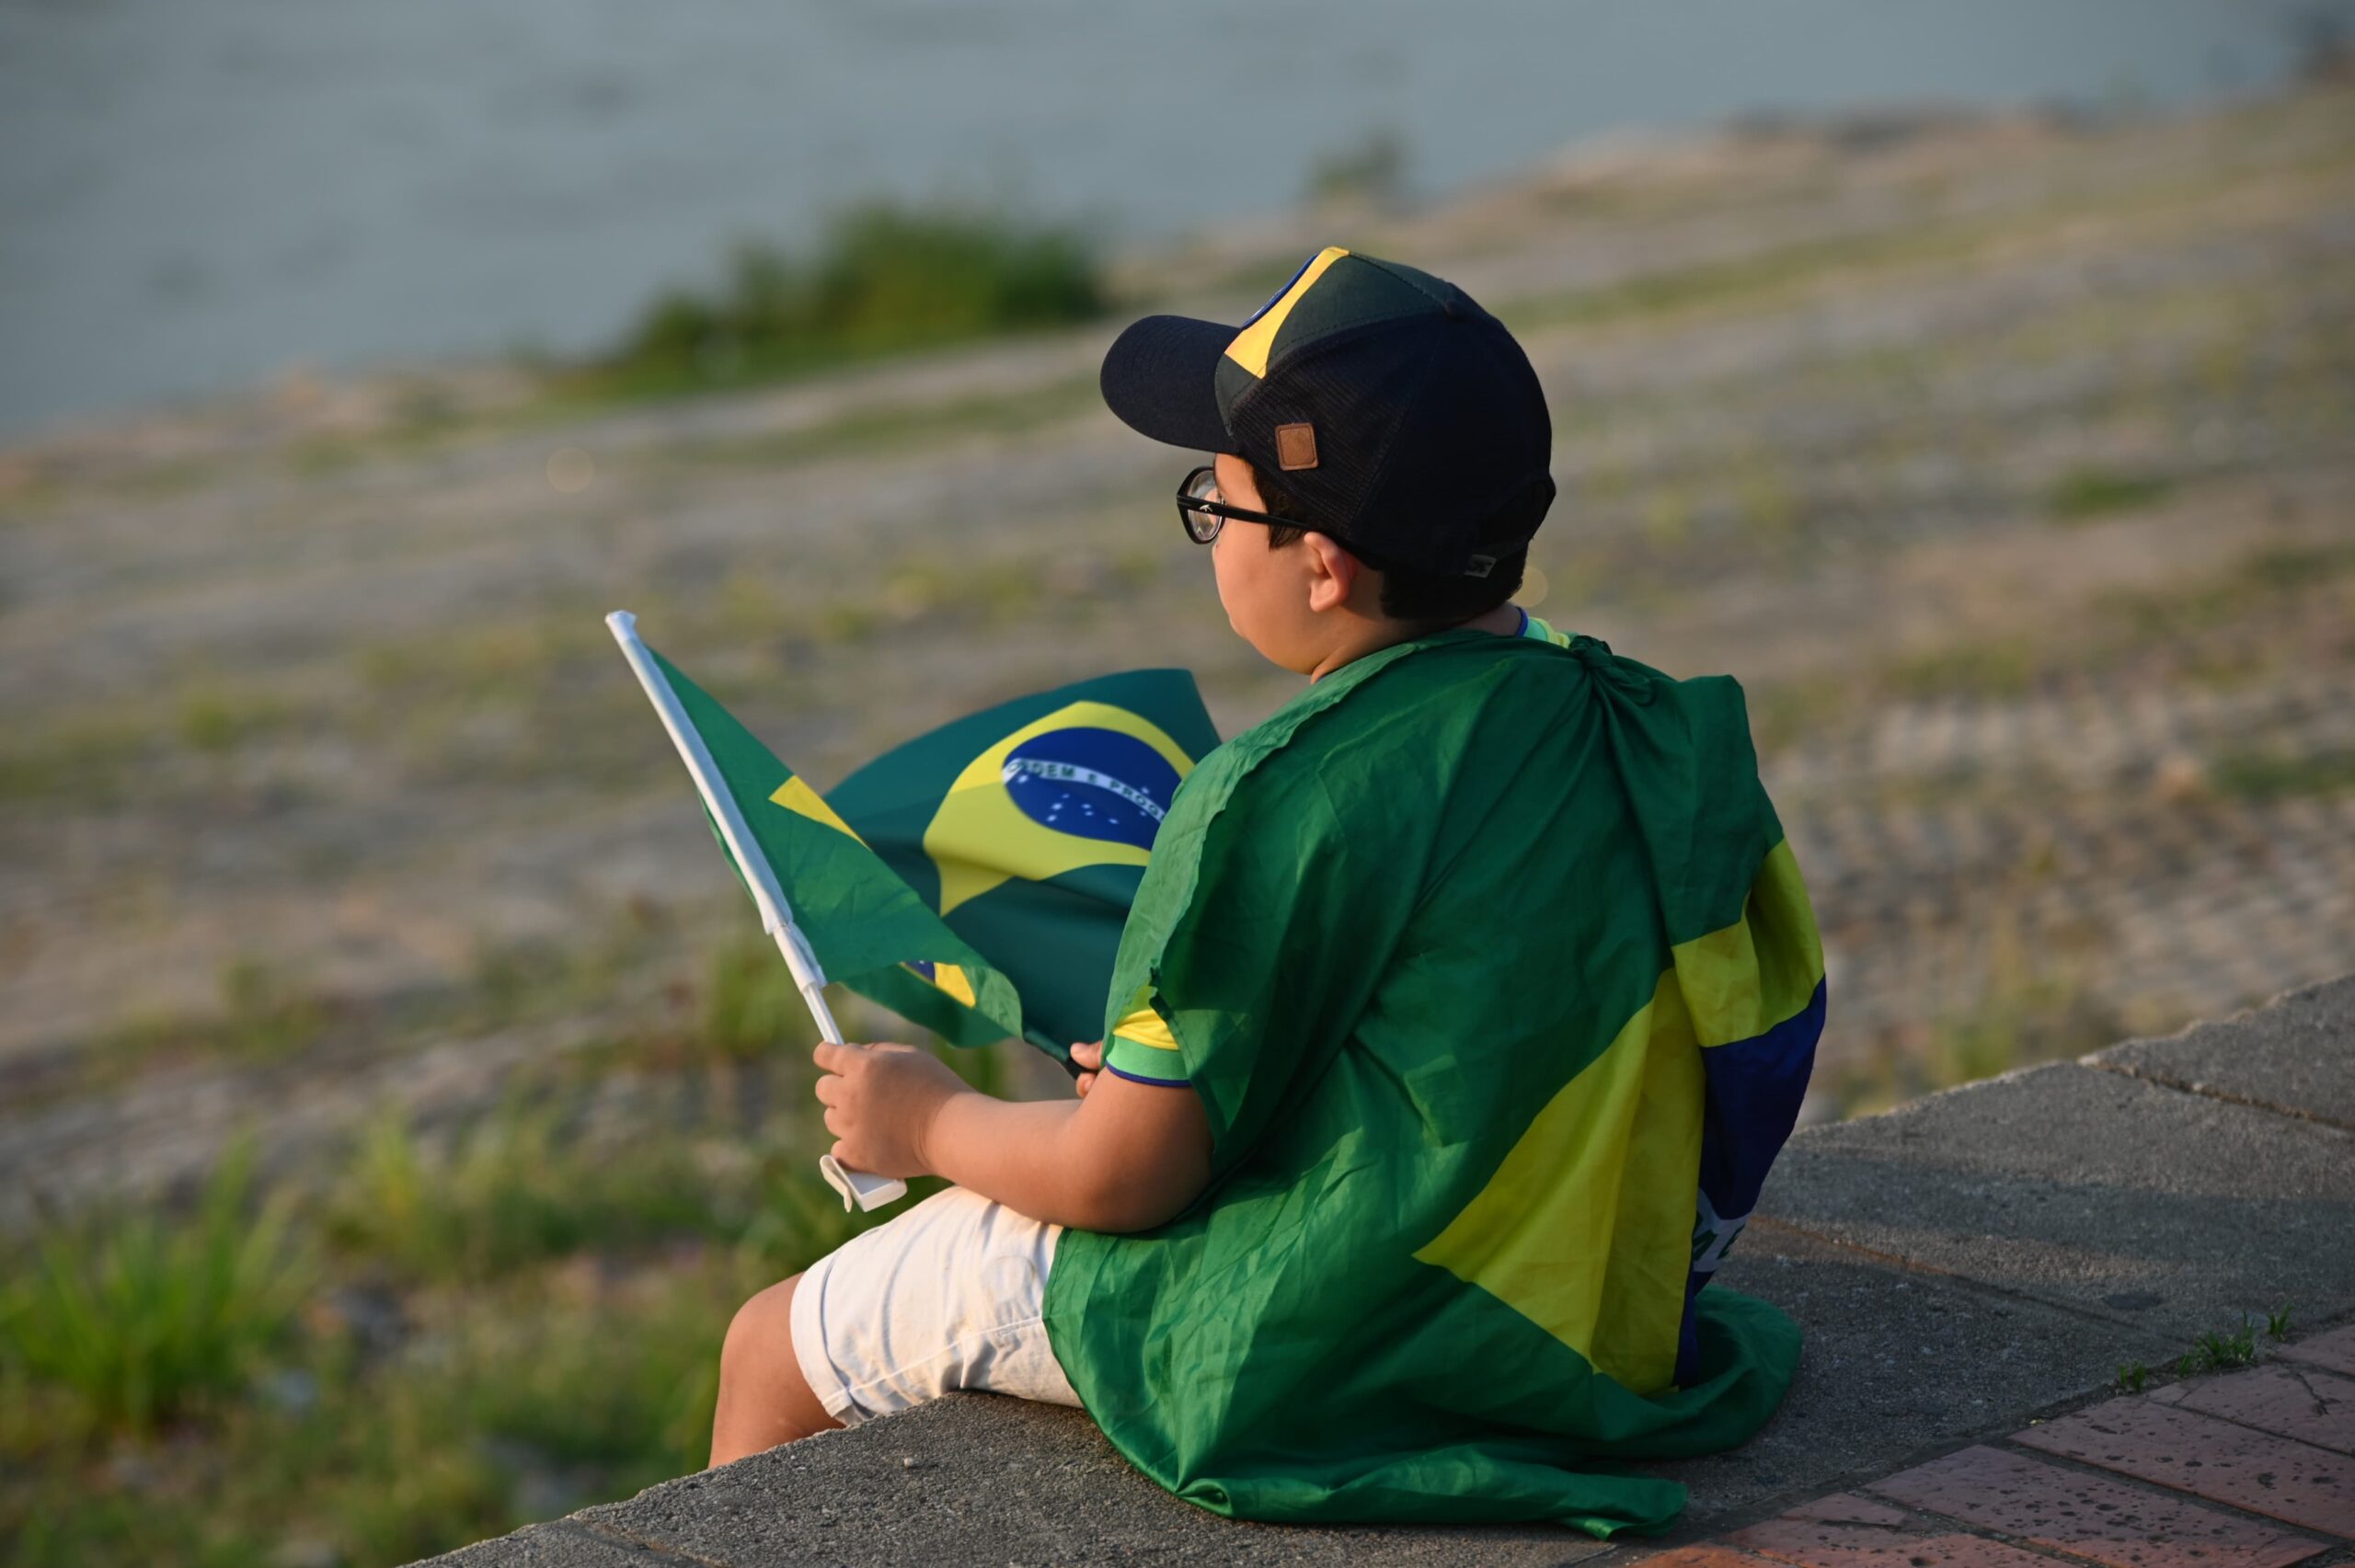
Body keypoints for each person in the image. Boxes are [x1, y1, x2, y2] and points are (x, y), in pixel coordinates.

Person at [709, 246, 1827, 1535]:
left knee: (768, 1345)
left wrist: (927, 1119)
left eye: (1216, 503)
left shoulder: (1280, 793)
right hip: (1581, 1308)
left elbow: (1125, 1177)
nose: (1207, 535)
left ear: (1323, 566)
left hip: (1329, 1326)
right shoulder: (1622, 713)